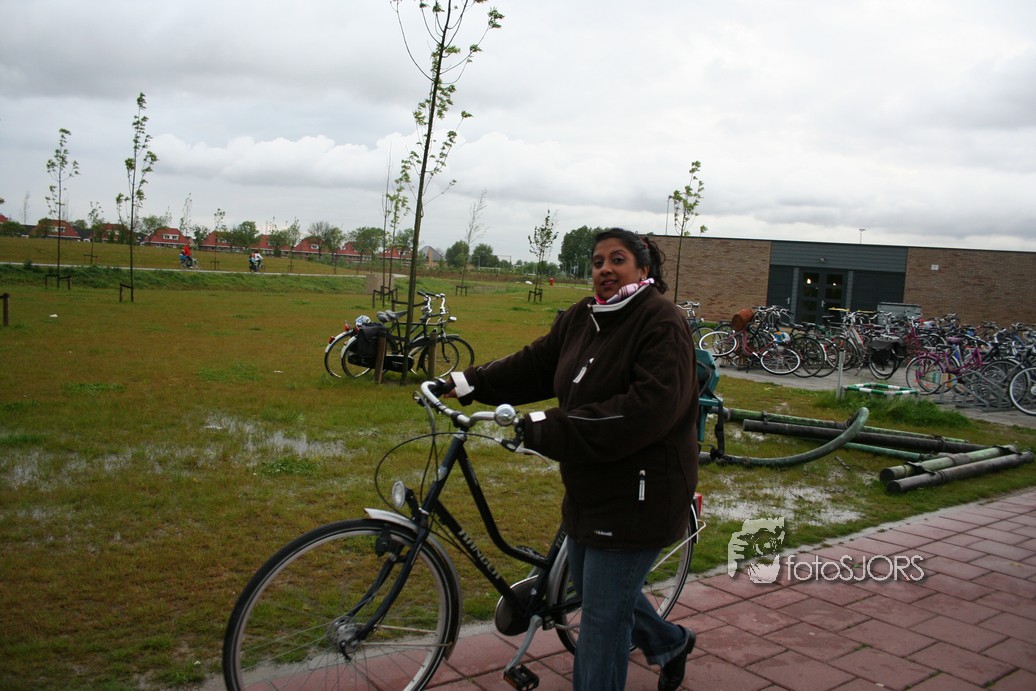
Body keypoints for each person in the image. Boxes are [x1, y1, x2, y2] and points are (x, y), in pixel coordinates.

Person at [442, 228, 699, 691]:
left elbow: (646, 410)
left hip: (640, 494)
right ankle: (669, 643)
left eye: (617, 260)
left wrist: (547, 427)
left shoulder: (661, 321)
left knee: (601, 618)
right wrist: (467, 382)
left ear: (643, 268)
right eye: (598, 262)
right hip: (590, 485)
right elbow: (537, 364)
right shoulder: (584, 315)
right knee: (601, 592)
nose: (605, 269)